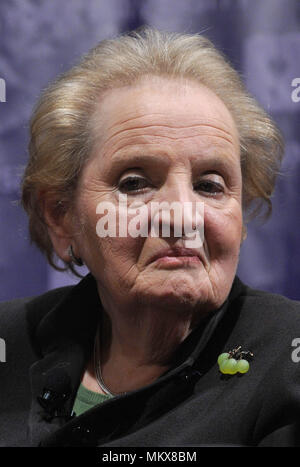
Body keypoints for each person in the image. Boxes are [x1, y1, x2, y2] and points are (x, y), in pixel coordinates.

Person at [1, 26, 300, 448]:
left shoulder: (289, 363)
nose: (182, 216)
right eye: (135, 182)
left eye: (210, 185)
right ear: (61, 216)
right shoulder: (9, 340)